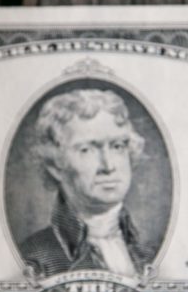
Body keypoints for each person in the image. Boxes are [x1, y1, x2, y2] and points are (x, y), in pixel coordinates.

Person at [19, 88, 153, 278]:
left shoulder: (147, 253)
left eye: (117, 146)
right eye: (86, 150)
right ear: (55, 165)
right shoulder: (34, 258)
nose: (108, 166)